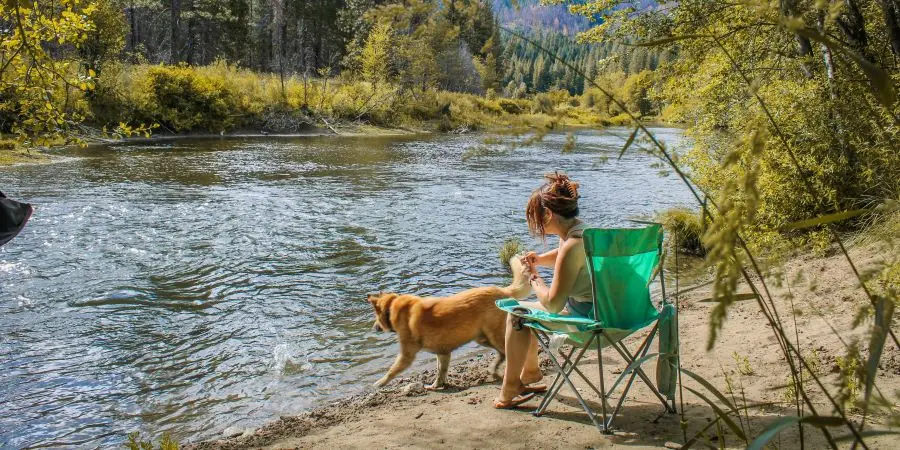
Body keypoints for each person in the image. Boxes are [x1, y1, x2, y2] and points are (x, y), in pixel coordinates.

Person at [493, 172, 593, 409]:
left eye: (536, 216)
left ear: (548, 214)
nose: (535, 222)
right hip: (618, 316)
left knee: (516, 313)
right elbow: (568, 258)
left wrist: (534, 277)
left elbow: (552, 305)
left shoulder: (571, 245)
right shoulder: (585, 232)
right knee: (522, 312)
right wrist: (539, 260)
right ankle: (529, 374)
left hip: (589, 323)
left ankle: (509, 390)